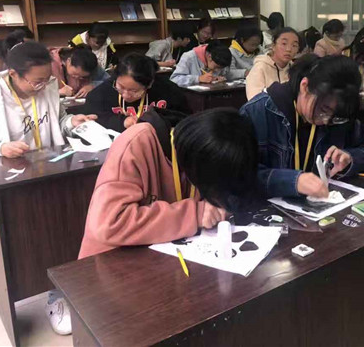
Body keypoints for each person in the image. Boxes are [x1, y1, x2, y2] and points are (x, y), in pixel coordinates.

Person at [78, 107, 258, 259]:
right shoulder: (137, 142)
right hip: (111, 262)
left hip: (165, 256)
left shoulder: (205, 151)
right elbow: (109, 225)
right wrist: (196, 213)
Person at [240, 54, 364, 200]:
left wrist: (350, 158)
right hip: (267, 210)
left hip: (320, 207)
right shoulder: (258, 113)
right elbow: (238, 175)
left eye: (335, 116)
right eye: (323, 109)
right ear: (305, 86)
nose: (326, 121)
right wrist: (292, 181)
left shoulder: (337, 118)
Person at [85, 53, 189, 132]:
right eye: (120, 87)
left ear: (149, 84)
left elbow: (185, 119)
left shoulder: (168, 90)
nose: (126, 95)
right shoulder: (102, 92)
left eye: (134, 91)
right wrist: (122, 121)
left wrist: (155, 121)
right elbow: (91, 118)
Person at [245, 27, 300, 100]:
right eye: (284, 44)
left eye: (294, 45)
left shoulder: (295, 69)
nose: (289, 49)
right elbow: (255, 101)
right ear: (273, 46)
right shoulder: (260, 68)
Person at [170, 39, 243, 87]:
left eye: (221, 68)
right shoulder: (189, 57)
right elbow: (174, 80)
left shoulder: (220, 58)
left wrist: (219, 79)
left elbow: (225, 73)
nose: (218, 70)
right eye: (217, 67)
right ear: (209, 57)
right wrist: (198, 79)